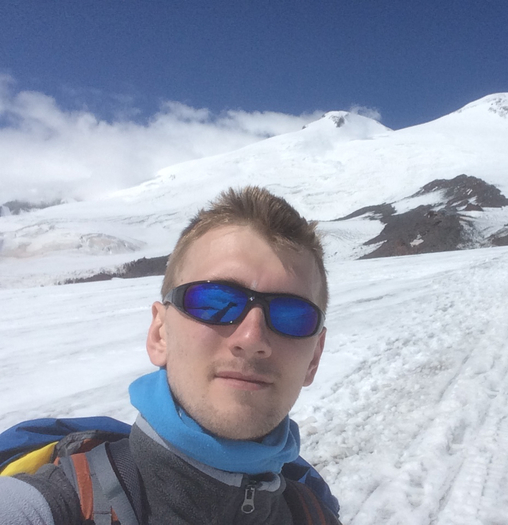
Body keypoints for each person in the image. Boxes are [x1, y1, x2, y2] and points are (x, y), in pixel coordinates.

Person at [0, 186, 340, 524]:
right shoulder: (57, 503)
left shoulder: (315, 516)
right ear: (160, 334)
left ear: (314, 358)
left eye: (292, 315)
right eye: (214, 302)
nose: (252, 338)